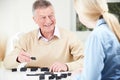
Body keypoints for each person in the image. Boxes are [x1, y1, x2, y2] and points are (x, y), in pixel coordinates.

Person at [3, 0, 84, 72]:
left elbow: (86, 60)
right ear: (35, 19)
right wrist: (18, 59)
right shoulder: (26, 39)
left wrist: (67, 66)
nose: (48, 21)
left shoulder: (69, 37)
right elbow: (7, 63)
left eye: (51, 16)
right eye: (43, 17)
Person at [72, 0, 120, 80]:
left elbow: (90, 78)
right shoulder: (112, 29)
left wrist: (75, 77)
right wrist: (87, 71)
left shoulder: (96, 36)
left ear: (84, 13)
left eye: (78, 13)